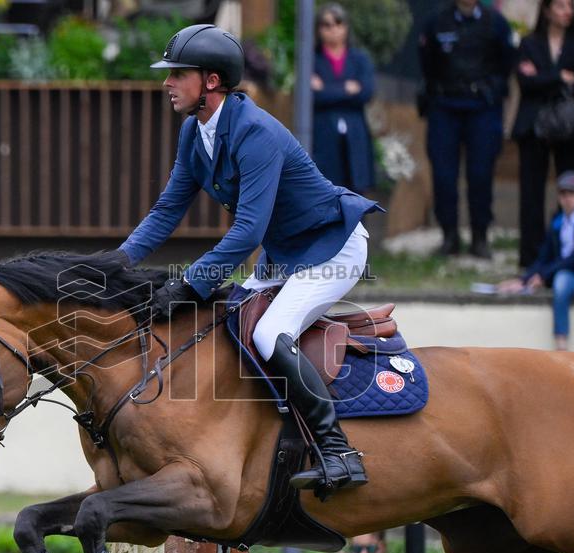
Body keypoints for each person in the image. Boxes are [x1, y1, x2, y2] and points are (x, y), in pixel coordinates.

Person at [102, 24, 383, 496]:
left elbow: (247, 230)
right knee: (228, 324)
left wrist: (191, 282)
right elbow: (167, 210)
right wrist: (112, 264)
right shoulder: (195, 131)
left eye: (177, 74)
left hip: (332, 247)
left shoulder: (255, 133)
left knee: (270, 333)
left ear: (211, 81)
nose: (167, 83)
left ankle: (338, 452)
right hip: (284, 252)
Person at [418, 0, 515, 258]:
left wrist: (492, 89)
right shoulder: (436, 22)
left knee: (481, 174)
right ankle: (449, 236)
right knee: (443, 175)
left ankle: (479, 237)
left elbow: (507, 63)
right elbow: (426, 63)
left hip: (483, 107)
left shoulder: (496, 23)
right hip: (444, 106)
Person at [511, 0, 574, 268]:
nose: (567, 11)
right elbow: (525, 83)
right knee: (531, 194)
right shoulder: (528, 43)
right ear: (546, 11)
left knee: (571, 189)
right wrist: (560, 76)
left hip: (569, 128)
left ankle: (568, 252)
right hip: (534, 125)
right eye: (560, 6)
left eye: (570, 6)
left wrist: (543, 77)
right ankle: (532, 257)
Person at [499, 171, 574, 354]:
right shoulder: (557, 223)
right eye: (563, 194)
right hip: (567, 270)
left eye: (572, 193)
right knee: (561, 287)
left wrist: (544, 274)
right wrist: (524, 279)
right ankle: (561, 344)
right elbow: (544, 257)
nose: (567, 198)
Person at [311, 3, 377, 195]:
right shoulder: (311, 59)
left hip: (355, 136)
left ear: (346, 27)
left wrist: (327, 88)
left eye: (338, 23)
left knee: (357, 196)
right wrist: (347, 89)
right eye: (326, 24)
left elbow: (366, 93)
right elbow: (313, 96)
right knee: (326, 192)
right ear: (318, 28)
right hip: (323, 136)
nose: (333, 29)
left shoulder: (360, 59)